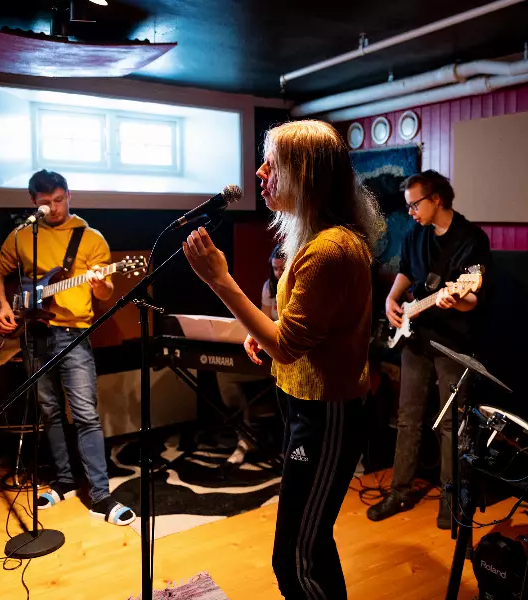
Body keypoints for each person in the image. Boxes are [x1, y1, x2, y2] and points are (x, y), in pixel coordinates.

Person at [182, 119, 384, 599]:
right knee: (308, 545)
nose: (259, 173)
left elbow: (287, 344)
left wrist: (219, 280)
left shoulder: (330, 248)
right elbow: (298, 330)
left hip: (327, 414)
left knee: (296, 555)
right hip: (305, 406)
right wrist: (266, 334)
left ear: (305, 174)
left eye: (271, 164)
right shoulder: (313, 238)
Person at [0, 169, 135, 526]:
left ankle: (100, 495)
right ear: (33, 202)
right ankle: (64, 481)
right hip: (33, 332)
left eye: (58, 200)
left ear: (69, 195)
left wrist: (99, 284)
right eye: (45, 203)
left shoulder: (90, 238)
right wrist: (4, 306)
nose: (53, 208)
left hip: (74, 334)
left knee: (85, 414)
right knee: (49, 411)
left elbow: (105, 293)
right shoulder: (23, 235)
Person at [367, 169, 491, 529]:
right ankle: (399, 490)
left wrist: (457, 300)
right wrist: (391, 299)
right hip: (416, 336)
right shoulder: (415, 234)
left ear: (437, 198)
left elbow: (473, 297)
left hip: (453, 343)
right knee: (407, 416)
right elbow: (406, 272)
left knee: (452, 423)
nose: (410, 212)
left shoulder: (471, 238)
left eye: (415, 205)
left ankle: (450, 501)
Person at [216, 244, 285, 465]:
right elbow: (264, 323)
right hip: (270, 352)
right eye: (275, 268)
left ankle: (286, 445)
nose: (278, 273)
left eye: (282, 268)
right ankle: (245, 438)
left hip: (289, 356)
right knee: (224, 374)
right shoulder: (269, 287)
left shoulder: (298, 286)